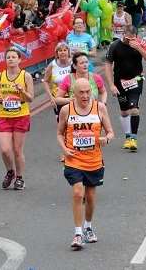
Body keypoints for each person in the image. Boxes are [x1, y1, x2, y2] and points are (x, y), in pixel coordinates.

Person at [57, 78, 114, 250]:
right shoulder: (67, 110)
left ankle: (88, 227)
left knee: (90, 197)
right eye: (81, 92)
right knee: (77, 192)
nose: (85, 95)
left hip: (94, 160)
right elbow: (59, 133)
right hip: (73, 159)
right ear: (73, 93)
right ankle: (78, 233)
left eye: (88, 91)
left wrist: (106, 139)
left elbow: (111, 132)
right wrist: (64, 149)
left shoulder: (100, 108)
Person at [105, 25, 146, 151]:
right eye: (127, 38)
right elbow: (108, 65)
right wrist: (111, 85)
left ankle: (133, 139)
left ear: (136, 36)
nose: (129, 41)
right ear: (123, 35)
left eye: (132, 39)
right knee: (124, 111)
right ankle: (127, 137)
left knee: (134, 109)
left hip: (136, 80)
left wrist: (139, 49)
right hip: (120, 82)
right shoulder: (114, 46)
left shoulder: (140, 44)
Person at [0, 48, 34, 191]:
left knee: (17, 150)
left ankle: (20, 178)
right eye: (8, 57)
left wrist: (22, 90)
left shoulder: (26, 76)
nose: (10, 59)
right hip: (4, 115)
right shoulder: (0, 76)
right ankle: (10, 171)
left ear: (19, 60)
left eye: (13, 57)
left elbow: (31, 98)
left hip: (21, 115)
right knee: (5, 150)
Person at [42, 42, 72, 119]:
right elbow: (45, 81)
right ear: (57, 53)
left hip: (73, 98)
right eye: (60, 50)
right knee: (61, 125)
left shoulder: (73, 63)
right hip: (59, 99)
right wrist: (51, 98)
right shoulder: (52, 65)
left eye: (65, 50)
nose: (63, 52)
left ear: (68, 52)